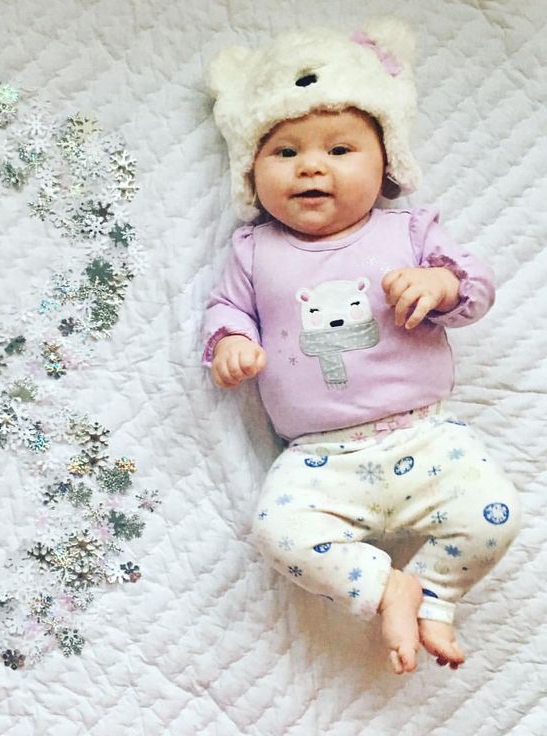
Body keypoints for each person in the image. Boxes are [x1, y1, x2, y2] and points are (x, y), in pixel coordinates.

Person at [202, 19, 520, 675]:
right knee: (278, 533)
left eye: (341, 149)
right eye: (284, 153)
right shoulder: (255, 250)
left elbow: (476, 285)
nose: (312, 165)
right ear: (251, 173)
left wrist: (440, 283)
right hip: (318, 459)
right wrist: (231, 340)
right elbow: (226, 307)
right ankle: (385, 588)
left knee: (494, 517)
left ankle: (434, 594)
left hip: (424, 437)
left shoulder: (407, 231)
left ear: (387, 165)